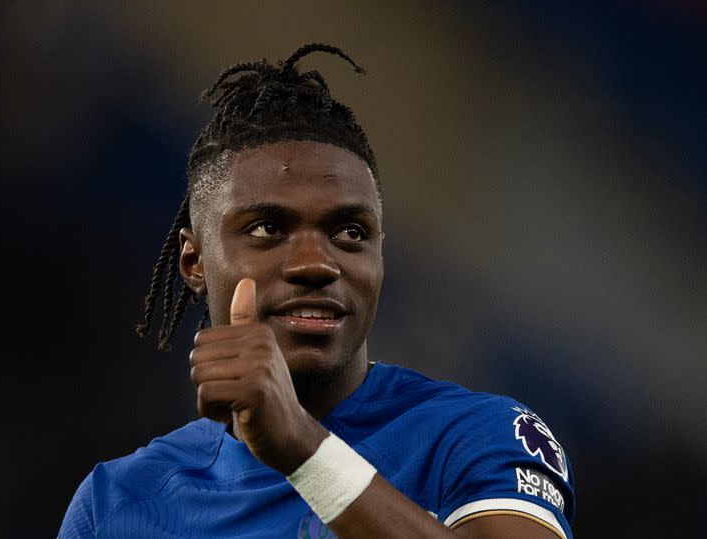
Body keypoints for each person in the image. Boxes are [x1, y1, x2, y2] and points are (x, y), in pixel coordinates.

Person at [59, 43, 575, 538]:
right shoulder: (119, 504)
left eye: (350, 232)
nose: (315, 265)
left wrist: (303, 448)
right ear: (193, 262)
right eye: (267, 229)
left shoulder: (479, 436)